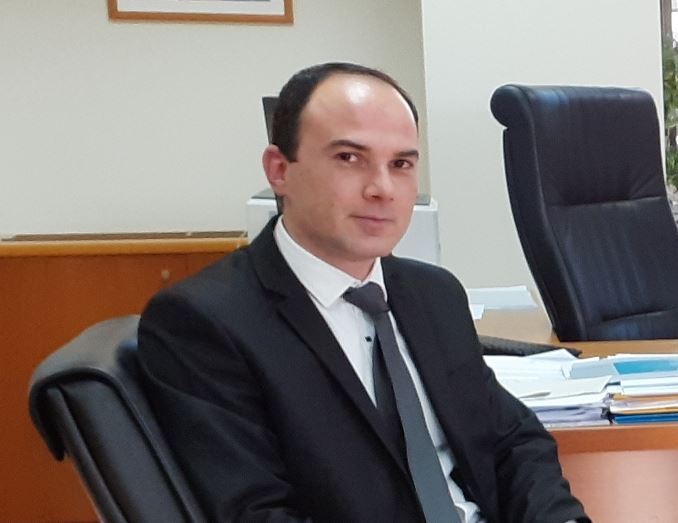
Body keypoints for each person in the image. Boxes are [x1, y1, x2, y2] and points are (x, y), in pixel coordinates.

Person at [138, 62, 590, 523]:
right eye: (349, 158)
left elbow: (512, 440)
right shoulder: (205, 322)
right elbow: (253, 513)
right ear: (279, 170)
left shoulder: (434, 294)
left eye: (401, 164)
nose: (382, 189)